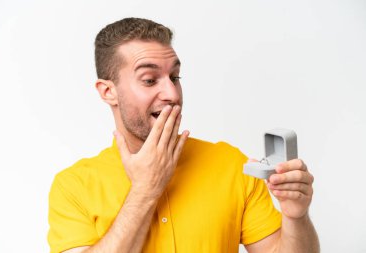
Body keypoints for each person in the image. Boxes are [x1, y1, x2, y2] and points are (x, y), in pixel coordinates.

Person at [48, 17, 320, 253]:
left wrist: (296, 217)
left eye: (175, 77)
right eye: (150, 80)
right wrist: (145, 190)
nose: (172, 94)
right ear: (108, 92)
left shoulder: (231, 165)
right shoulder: (73, 187)